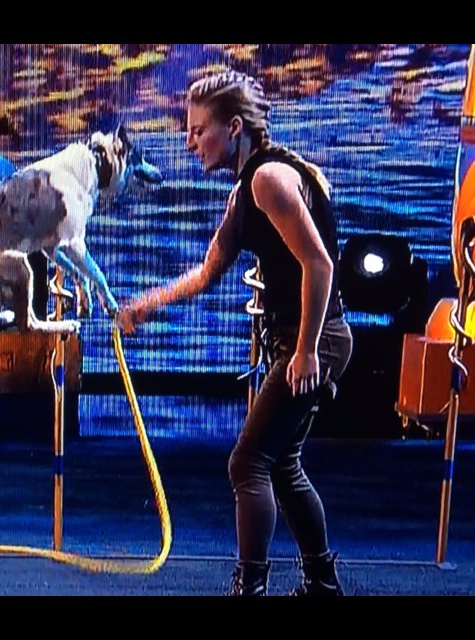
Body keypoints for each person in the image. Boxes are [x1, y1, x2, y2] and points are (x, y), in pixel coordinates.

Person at [116, 70, 353, 596]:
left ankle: (250, 586)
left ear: (235, 127)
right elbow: (206, 274)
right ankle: (321, 581)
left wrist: (308, 350)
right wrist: (142, 307)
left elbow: (320, 265)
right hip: (301, 340)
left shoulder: (269, 179)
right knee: (282, 464)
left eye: (199, 129)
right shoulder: (247, 191)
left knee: (248, 462)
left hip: (315, 339)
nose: (189, 141)